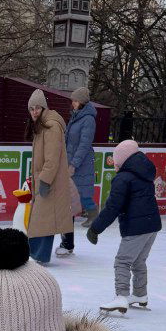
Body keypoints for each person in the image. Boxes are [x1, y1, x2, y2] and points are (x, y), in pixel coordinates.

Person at [87, 139, 162, 314]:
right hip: (152, 225)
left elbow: (112, 207)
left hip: (136, 227)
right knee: (138, 261)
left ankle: (121, 296)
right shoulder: (144, 173)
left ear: (121, 160)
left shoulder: (123, 178)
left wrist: (95, 228)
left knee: (122, 261)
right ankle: (140, 294)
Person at [25, 89, 74, 266]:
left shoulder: (51, 126)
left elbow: (52, 159)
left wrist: (44, 180)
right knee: (42, 220)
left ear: (44, 108)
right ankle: (37, 255)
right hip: (45, 180)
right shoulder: (42, 125)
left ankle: (39, 256)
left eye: (38, 108)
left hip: (50, 182)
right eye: (31, 109)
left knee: (44, 220)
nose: (34, 112)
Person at [57, 86, 98, 257]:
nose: (72, 103)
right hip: (71, 164)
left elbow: (84, 145)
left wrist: (73, 165)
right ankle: (67, 243)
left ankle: (68, 243)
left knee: (72, 203)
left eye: (75, 100)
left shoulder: (88, 119)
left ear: (81, 101)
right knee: (69, 204)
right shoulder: (76, 116)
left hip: (80, 166)